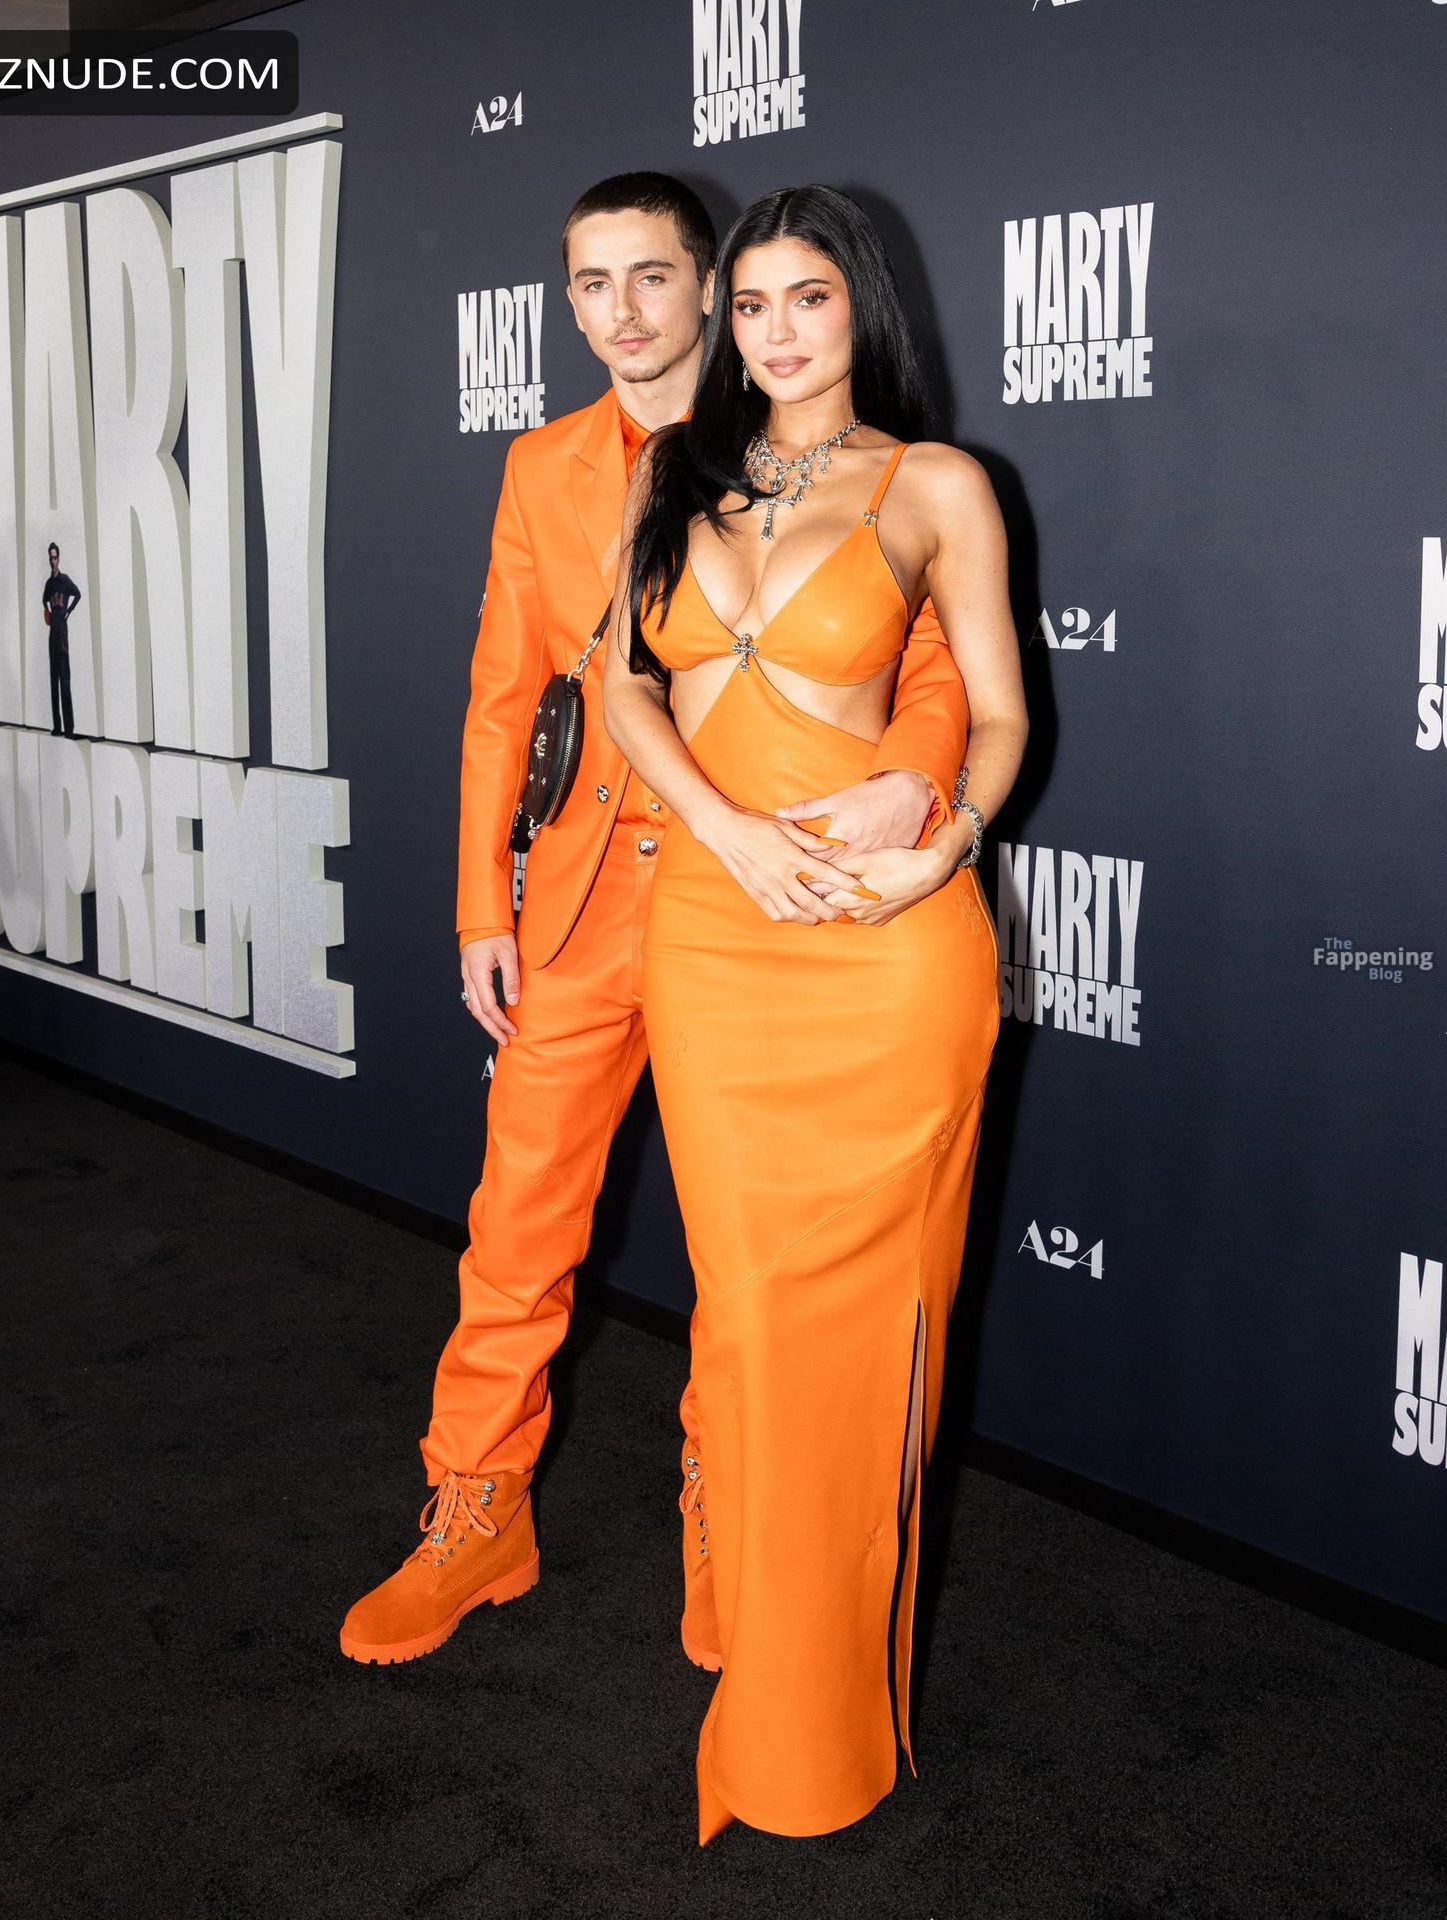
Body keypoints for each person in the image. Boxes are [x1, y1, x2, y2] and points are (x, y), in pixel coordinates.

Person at [339, 173, 974, 1676]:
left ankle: (726, 1515)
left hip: (758, 905)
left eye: (650, 278)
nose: (619, 313)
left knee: (743, 1266)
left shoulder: (817, 453)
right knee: (516, 1233)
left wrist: (913, 783)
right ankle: (476, 1511)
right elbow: (505, 689)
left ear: (711, 289)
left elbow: (936, 659)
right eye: (588, 283)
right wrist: (479, 901)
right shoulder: (542, 464)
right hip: (574, 911)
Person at [602, 184, 1028, 1843]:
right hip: (717, 938)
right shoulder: (671, 469)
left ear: (865, 310)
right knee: (750, 1317)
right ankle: (743, 1615)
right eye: (754, 304)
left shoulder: (935, 486)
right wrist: (721, 835)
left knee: (854, 1345)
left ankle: (807, 1724)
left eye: (810, 299)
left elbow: (999, 715)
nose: (776, 333)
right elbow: (623, 688)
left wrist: (947, 845)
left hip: (885, 948)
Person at [42, 543, 80, 738]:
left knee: (65, 681)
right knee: (53, 680)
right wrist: (48, 612)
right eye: (51, 558)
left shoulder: (64, 580)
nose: (53, 561)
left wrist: (68, 612)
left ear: (59, 558)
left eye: (55, 557)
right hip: (52, 635)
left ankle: (69, 728)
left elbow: (78, 594)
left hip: (62, 634)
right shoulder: (49, 584)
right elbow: (44, 600)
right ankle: (57, 726)